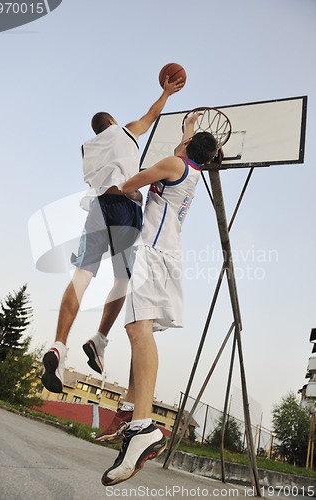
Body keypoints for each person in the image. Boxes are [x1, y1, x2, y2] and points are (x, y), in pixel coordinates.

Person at [41, 77, 184, 393]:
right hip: (124, 205)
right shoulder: (124, 131)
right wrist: (166, 93)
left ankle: (58, 346)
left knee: (81, 277)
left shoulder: (87, 148)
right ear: (113, 122)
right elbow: (151, 115)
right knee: (122, 279)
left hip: (97, 207)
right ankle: (99, 339)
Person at [100, 113, 219, 486]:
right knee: (142, 329)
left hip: (152, 254)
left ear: (186, 149)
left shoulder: (171, 165)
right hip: (168, 255)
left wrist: (117, 186)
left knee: (137, 329)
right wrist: (189, 127)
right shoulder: (191, 172)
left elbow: (132, 183)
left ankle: (143, 424)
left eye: (185, 140)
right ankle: (134, 414)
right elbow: (180, 151)